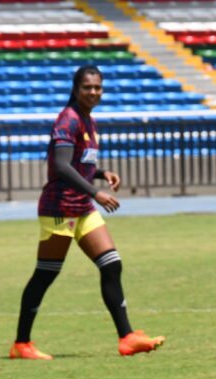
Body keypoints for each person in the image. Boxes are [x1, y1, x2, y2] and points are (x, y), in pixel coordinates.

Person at [9, 65, 165, 360]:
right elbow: (61, 166)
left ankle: (127, 338)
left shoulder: (88, 120)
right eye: (87, 87)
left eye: (97, 87)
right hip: (60, 208)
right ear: (76, 89)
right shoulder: (68, 119)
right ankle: (21, 343)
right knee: (45, 274)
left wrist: (102, 173)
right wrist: (97, 192)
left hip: (82, 207)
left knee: (111, 265)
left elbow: (79, 163)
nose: (93, 92)